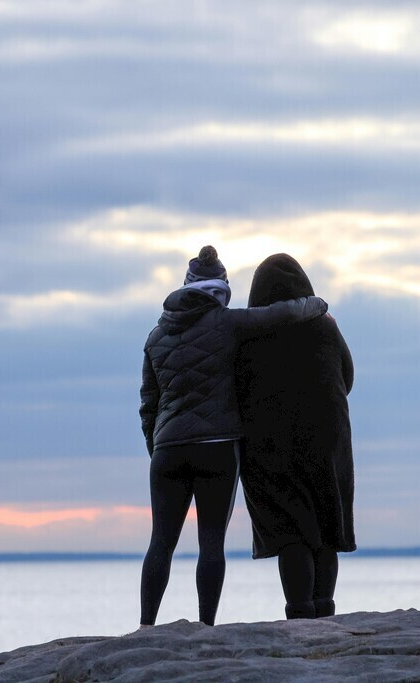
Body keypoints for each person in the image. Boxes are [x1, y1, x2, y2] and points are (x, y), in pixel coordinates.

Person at [138, 246, 328, 628]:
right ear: (221, 289)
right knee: (211, 543)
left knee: (161, 542)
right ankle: (206, 628)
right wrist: (317, 304)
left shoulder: (156, 337)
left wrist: (156, 446)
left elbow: (148, 404)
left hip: (167, 451)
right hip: (217, 449)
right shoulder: (225, 323)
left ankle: (145, 628)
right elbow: (282, 313)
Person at [235, 253, 355, 620]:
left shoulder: (250, 333)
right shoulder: (325, 326)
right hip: (327, 439)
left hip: (270, 444)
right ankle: (325, 611)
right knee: (326, 526)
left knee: (291, 528)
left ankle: (300, 613)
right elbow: (346, 377)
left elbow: (235, 388)